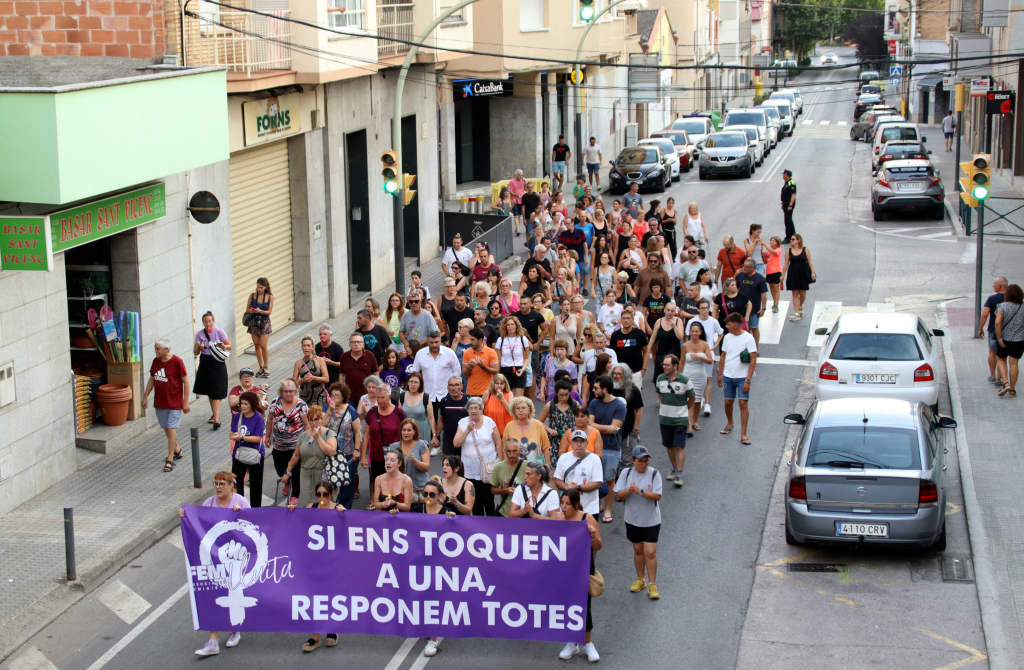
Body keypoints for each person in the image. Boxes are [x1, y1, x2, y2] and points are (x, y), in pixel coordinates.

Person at [183, 471, 251, 657]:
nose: (218, 487)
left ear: (231, 485)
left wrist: (241, 514)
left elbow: (252, 524)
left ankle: (234, 629)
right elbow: (199, 523)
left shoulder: (241, 502)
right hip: (215, 557)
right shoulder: (209, 503)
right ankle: (213, 641)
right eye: (216, 483)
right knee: (214, 593)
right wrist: (185, 515)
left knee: (233, 591)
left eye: (222, 484)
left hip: (236, 556)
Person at [283, 480, 346, 652]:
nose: (322, 497)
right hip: (312, 561)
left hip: (332, 562)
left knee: (330, 596)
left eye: (325, 494)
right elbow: (298, 524)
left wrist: (344, 517)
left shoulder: (338, 510)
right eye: (319, 494)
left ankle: (331, 629)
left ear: (332, 494)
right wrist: (291, 512)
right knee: (313, 597)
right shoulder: (311, 507)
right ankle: (315, 635)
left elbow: (347, 535)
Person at [556, 488, 601, 662]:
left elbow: (598, 545)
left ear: (576, 504)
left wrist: (593, 535)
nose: (564, 507)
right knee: (567, 605)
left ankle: (588, 643)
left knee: (584, 606)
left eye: (568, 504)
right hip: (563, 569)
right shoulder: (558, 518)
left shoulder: (586, 518)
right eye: (562, 503)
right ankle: (571, 643)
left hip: (582, 568)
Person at [614, 445, 663, 600]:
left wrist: (640, 492)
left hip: (651, 520)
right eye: (640, 461)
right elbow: (619, 495)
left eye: (646, 461)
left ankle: (652, 584)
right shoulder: (626, 473)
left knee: (650, 552)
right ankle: (640, 579)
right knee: (638, 550)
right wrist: (629, 491)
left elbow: (657, 496)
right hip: (633, 519)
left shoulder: (654, 474)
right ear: (633, 461)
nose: (643, 464)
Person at [141, 339, 190, 473]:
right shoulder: (156, 361)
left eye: (158, 349)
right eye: (155, 348)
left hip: (174, 403)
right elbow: (152, 379)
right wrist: (145, 397)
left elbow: (186, 380)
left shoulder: (177, 362)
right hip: (160, 402)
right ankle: (177, 450)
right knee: (167, 429)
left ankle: (170, 459)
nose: (155, 351)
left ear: (166, 349)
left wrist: (185, 401)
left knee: (171, 429)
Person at [280, 405, 338, 507]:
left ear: (321, 419)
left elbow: (331, 451)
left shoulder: (329, 434)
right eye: (311, 420)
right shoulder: (303, 436)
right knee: (308, 505)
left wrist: (318, 438)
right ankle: (309, 522)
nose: (313, 423)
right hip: (306, 475)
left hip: (323, 475)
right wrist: (287, 472)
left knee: (323, 504)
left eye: (316, 419)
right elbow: (296, 456)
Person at [453, 397, 501, 516]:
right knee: (475, 501)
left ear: (481, 409)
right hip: (470, 469)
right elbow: (456, 443)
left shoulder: (489, 422)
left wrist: (501, 462)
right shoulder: (463, 422)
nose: (473, 411)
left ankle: (491, 523)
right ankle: (478, 526)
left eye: (476, 408)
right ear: (467, 409)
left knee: (488, 499)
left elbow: (498, 442)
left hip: (487, 468)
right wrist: (467, 430)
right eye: (471, 408)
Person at [588, 376, 626, 522]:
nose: (593, 390)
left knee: (609, 479)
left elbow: (615, 429)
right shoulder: (593, 403)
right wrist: (606, 428)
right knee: (594, 479)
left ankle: (608, 510)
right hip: (594, 447)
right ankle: (597, 505)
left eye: (596, 388)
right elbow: (589, 424)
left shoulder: (619, 405)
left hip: (611, 449)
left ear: (604, 389)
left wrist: (598, 427)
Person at [360, 385, 406, 506]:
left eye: (383, 398)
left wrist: (405, 450)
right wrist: (363, 456)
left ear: (389, 397)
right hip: (376, 454)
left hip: (394, 455)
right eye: (378, 397)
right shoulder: (371, 413)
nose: (380, 400)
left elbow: (405, 434)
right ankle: (377, 504)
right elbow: (366, 436)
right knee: (377, 480)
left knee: (395, 480)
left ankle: (396, 504)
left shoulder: (398, 413)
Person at [655, 354, 695, 486]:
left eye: (667, 365)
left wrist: (683, 410)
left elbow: (692, 398)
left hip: (680, 419)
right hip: (665, 419)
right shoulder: (660, 379)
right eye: (664, 365)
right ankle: (673, 468)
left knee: (679, 446)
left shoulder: (684, 380)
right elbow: (660, 393)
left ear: (675, 366)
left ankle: (679, 474)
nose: (664, 367)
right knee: (669, 445)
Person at [719, 312, 758, 445]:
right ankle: (730, 422)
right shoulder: (727, 337)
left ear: (735, 325)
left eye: (728, 324)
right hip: (728, 375)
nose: (726, 326)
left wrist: (748, 379)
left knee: (743, 404)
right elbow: (723, 355)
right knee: (728, 402)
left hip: (742, 377)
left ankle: (744, 433)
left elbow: (753, 360)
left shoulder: (748, 338)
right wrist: (720, 373)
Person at [553, 428, 604, 519]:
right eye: (576, 441)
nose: (579, 444)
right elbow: (557, 480)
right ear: (571, 443)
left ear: (587, 443)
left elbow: (597, 484)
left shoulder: (595, 459)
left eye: (582, 441)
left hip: (589, 509)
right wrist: (567, 488)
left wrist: (578, 488)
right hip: (568, 509)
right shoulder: (563, 458)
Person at [324, 382, 361, 508]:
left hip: (347, 453)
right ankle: (330, 507)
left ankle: (345, 508)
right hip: (329, 452)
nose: (333, 398)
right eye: (332, 395)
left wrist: (357, 450)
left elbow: (357, 432)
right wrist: (329, 410)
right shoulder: (326, 408)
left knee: (346, 483)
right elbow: (322, 426)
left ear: (344, 397)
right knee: (329, 482)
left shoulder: (351, 411)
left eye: (337, 396)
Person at [192, 311, 230, 430]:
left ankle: (217, 419)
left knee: (217, 390)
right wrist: (199, 347)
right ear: (203, 323)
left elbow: (229, 346)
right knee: (210, 390)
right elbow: (195, 352)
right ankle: (214, 414)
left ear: (213, 321)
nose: (208, 323)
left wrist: (222, 346)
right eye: (205, 321)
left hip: (217, 362)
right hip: (205, 362)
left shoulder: (219, 331)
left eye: (209, 321)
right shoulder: (200, 334)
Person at [228, 391, 266, 508]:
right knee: (237, 484)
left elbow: (258, 438)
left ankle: (255, 510)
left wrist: (242, 437)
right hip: (239, 454)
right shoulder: (238, 416)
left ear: (252, 405)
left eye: (245, 404)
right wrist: (233, 436)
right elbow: (231, 432)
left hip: (255, 454)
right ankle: (239, 508)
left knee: (255, 485)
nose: (242, 406)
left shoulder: (258, 417)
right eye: (241, 404)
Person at [610, 363, 643, 470]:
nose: (615, 376)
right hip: (611, 432)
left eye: (619, 374)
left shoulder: (633, 391)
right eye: (614, 373)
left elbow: (638, 410)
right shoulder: (609, 390)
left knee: (627, 462)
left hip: (628, 432)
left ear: (626, 376)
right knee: (613, 462)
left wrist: (635, 429)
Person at [681, 322, 714, 432]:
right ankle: (689, 426)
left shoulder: (705, 344)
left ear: (700, 332)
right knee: (689, 398)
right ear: (689, 332)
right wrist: (679, 376)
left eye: (696, 331)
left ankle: (695, 421)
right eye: (692, 331)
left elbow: (710, 361)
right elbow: (681, 362)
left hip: (700, 374)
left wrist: (699, 357)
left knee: (697, 399)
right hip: (688, 374)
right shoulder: (685, 345)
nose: (694, 333)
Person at [503, 396, 552, 465]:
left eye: (523, 408)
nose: (520, 410)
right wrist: (506, 467)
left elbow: (546, 448)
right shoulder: (509, 426)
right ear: (514, 411)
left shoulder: (538, 425)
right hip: (516, 469)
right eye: (518, 408)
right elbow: (504, 450)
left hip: (536, 469)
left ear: (529, 409)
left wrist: (547, 466)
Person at [390, 418, 430, 503]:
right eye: (404, 430)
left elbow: (426, 467)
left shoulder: (422, 445)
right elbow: (388, 468)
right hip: (400, 488)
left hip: (419, 488)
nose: (406, 433)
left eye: (409, 430)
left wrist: (415, 461)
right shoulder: (393, 447)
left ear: (415, 431)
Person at [979, 276, 1009, 387]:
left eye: (994, 283)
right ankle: (1000, 379)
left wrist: (980, 328)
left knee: (992, 353)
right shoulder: (1011, 298)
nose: (992, 285)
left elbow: (985, 314)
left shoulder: (992, 299)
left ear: (999, 285)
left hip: (993, 331)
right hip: (1008, 332)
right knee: (1003, 356)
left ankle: (992, 376)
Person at [995, 283, 1024, 397]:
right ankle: (1012, 389)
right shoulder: (1023, 307)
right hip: (1019, 340)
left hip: (1004, 339)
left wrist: (999, 338)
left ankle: (1005, 382)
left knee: (1001, 360)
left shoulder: (1002, 306)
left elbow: (998, 322)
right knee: (1014, 363)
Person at [609, 308, 649, 389]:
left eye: (628, 318)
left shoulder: (640, 333)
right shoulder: (615, 335)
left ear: (632, 319)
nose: (626, 320)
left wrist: (643, 370)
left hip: (636, 372)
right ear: (620, 320)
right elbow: (612, 355)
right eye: (623, 318)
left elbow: (646, 352)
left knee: (635, 397)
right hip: (620, 373)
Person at [649, 301, 686, 383]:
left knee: (673, 380)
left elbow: (680, 337)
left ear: (675, 312)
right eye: (668, 310)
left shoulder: (678, 321)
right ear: (665, 310)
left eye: (672, 311)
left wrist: (674, 327)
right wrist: (647, 351)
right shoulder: (659, 321)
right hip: (661, 354)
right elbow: (653, 338)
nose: (670, 312)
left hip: (674, 355)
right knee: (659, 380)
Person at [782, 233, 816, 321]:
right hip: (793, 273)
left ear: (798, 240)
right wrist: (783, 275)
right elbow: (786, 264)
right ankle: (797, 312)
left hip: (803, 273)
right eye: (791, 239)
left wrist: (813, 272)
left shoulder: (805, 250)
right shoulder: (788, 251)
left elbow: (810, 261)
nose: (791, 241)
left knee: (803, 294)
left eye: (793, 239)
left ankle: (800, 305)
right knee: (795, 294)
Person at [490, 438, 528, 517]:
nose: (511, 455)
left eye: (515, 451)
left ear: (520, 450)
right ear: (504, 451)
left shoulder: (528, 466)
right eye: (508, 451)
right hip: (504, 511)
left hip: (523, 511)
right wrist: (506, 490)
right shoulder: (498, 467)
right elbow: (493, 490)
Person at [434, 375, 469, 458]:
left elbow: (475, 420)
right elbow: (442, 420)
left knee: (462, 469)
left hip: (465, 441)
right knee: (447, 467)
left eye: (457, 385)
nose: (454, 388)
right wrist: (435, 437)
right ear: (447, 387)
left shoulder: (468, 400)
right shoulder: (445, 401)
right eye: (451, 385)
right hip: (448, 440)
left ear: (461, 386)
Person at [736, 257, 769, 345]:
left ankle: (755, 348)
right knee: (742, 328)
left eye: (746, 267)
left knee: (754, 327)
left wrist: (763, 308)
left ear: (753, 268)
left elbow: (763, 294)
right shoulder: (739, 276)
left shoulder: (760, 278)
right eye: (743, 266)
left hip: (754, 308)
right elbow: (735, 289)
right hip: (742, 307)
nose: (744, 268)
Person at [495, 316, 532, 396]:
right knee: (506, 398)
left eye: (512, 324)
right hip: (505, 370)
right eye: (508, 325)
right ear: (505, 326)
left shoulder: (523, 339)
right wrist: (497, 375)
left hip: (519, 369)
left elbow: (526, 358)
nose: (510, 327)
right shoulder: (500, 340)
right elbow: (498, 359)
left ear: (516, 325)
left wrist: (523, 369)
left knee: (518, 399)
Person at [246, 277, 273, 378]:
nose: (259, 289)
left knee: (263, 345)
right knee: (256, 345)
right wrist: (252, 310)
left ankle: (266, 366)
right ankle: (260, 366)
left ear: (265, 287)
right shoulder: (252, 296)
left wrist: (260, 311)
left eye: (261, 287)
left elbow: (269, 312)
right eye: (258, 287)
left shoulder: (270, 297)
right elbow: (247, 309)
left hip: (264, 321)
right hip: (254, 321)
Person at [339, 332, 378, 402]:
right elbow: (342, 374)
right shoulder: (344, 357)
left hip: (367, 395)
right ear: (349, 345)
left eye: (358, 342)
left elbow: (376, 372)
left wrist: (376, 388)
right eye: (353, 342)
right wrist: (341, 390)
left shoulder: (370, 356)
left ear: (363, 344)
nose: (356, 344)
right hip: (349, 396)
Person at [293, 335, 329, 410]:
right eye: (304, 346)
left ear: (313, 347)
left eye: (308, 345)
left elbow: (326, 379)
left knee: (318, 418)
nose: (306, 348)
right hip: (305, 396)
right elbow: (293, 383)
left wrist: (314, 378)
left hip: (319, 395)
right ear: (302, 347)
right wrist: (302, 380)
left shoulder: (320, 360)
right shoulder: (298, 363)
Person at [372, 449, 413, 513]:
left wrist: (393, 503)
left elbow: (407, 506)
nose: (388, 463)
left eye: (392, 460)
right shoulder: (378, 479)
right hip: (385, 516)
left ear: (399, 464)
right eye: (387, 460)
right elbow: (376, 505)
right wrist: (384, 504)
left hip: (401, 517)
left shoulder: (406, 480)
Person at [401, 372, 435, 449]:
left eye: (416, 382)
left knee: (422, 457)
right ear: (408, 383)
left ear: (420, 385)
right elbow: (399, 417)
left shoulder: (425, 397)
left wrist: (434, 436)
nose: (413, 384)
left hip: (422, 431)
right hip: (406, 432)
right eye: (411, 382)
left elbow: (431, 418)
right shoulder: (402, 396)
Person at [462, 327, 499, 397]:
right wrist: (470, 367)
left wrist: (483, 366)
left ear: (481, 340)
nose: (470, 342)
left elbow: (496, 371)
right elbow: (465, 374)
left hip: (487, 391)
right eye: (470, 339)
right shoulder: (467, 353)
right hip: (471, 392)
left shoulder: (491, 352)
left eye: (473, 340)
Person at [764, 236, 784, 313]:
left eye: (773, 241)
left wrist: (764, 244)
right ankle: (774, 301)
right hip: (769, 272)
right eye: (771, 240)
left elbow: (773, 252)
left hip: (776, 271)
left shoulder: (778, 249)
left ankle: (776, 304)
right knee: (772, 288)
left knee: (776, 289)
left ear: (777, 243)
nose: (771, 242)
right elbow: (765, 261)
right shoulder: (767, 251)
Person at [509, 169, 528, 235]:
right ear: (516, 175)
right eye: (519, 175)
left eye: (521, 175)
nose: (520, 176)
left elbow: (525, 189)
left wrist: (525, 181)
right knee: (516, 215)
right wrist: (516, 195)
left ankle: (517, 227)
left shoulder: (522, 181)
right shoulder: (512, 181)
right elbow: (510, 191)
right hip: (514, 200)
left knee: (519, 215)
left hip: (522, 200)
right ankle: (518, 229)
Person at [781, 169, 797, 240]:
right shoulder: (787, 183)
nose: (783, 176)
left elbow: (793, 195)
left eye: (784, 174)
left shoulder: (791, 183)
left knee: (787, 220)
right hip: (785, 203)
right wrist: (783, 203)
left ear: (787, 175)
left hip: (789, 204)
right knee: (789, 220)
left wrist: (790, 205)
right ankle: (793, 234)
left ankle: (788, 237)